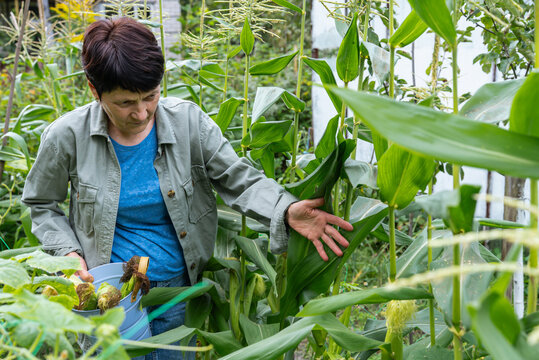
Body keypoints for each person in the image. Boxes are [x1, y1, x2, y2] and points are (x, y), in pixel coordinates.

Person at [21, 17, 353, 360]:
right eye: (125, 103)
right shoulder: (67, 137)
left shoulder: (188, 123)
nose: (141, 113)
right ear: (94, 90)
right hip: (109, 298)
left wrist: (284, 209)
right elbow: (41, 203)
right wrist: (68, 254)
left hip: (177, 294)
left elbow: (237, 178)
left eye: (151, 96)